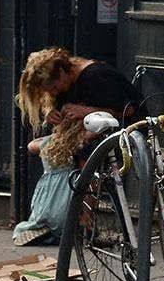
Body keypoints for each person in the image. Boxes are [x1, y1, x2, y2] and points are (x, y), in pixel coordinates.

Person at [16, 46, 142, 136]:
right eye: (48, 91)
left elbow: (129, 110)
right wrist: (49, 109)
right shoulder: (65, 83)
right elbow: (50, 97)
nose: (54, 93)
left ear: (61, 72)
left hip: (126, 133)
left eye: (54, 88)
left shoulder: (95, 75)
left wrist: (86, 112)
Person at [12, 116, 90, 246]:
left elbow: (31, 145)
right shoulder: (78, 144)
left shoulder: (48, 143)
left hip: (47, 188)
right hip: (67, 187)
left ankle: (44, 230)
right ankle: (59, 234)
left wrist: (54, 137)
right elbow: (86, 173)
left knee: (42, 216)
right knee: (64, 218)